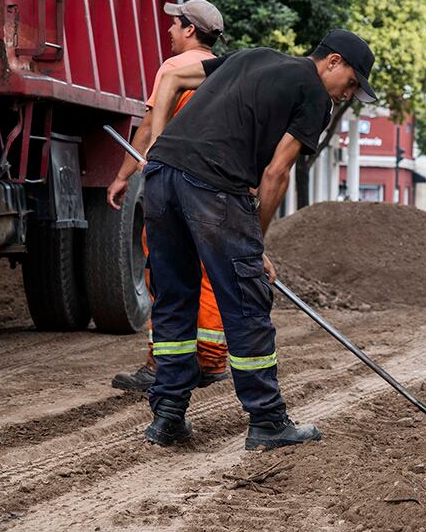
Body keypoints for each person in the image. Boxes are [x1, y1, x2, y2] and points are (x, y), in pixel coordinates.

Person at [141, 29, 376, 450]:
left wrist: (157, 146)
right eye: (353, 83)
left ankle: (168, 417)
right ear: (333, 61)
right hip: (213, 186)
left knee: (174, 298)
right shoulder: (314, 94)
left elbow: (171, 81)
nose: (347, 94)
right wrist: (257, 246)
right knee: (247, 301)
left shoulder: (251, 56)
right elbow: (275, 173)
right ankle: (267, 420)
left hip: (161, 178)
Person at [107, 0, 229, 391]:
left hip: (173, 187)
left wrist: (123, 175)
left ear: (190, 30)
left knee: (164, 270)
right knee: (209, 270)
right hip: (212, 187)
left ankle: (161, 366)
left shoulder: (175, 68)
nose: (170, 31)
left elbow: (146, 128)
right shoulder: (222, 73)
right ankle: (210, 361)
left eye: (175, 25)